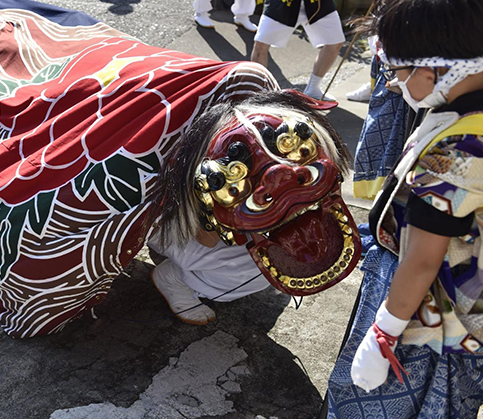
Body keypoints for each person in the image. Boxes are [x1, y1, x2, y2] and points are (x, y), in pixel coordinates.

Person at [327, 0, 483, 418]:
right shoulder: (476, 109)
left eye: (399, 71)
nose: (392, 83)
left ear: (436, 69)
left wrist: (384, 332)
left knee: (378, 404)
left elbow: (422, 260)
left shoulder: (455, 156)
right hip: (460, 301)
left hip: (429, 318)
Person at [146, 89, 360, 325]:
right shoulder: (203, 174)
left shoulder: (277, 117)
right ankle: (176, 278)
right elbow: (205, 238)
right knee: (243, 272)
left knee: (265, 256)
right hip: (175, 223)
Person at [351, 0, 463, 200]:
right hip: (425, 84)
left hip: (408, 81)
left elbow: (391, 23)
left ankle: (387, 210)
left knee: (397, 157)